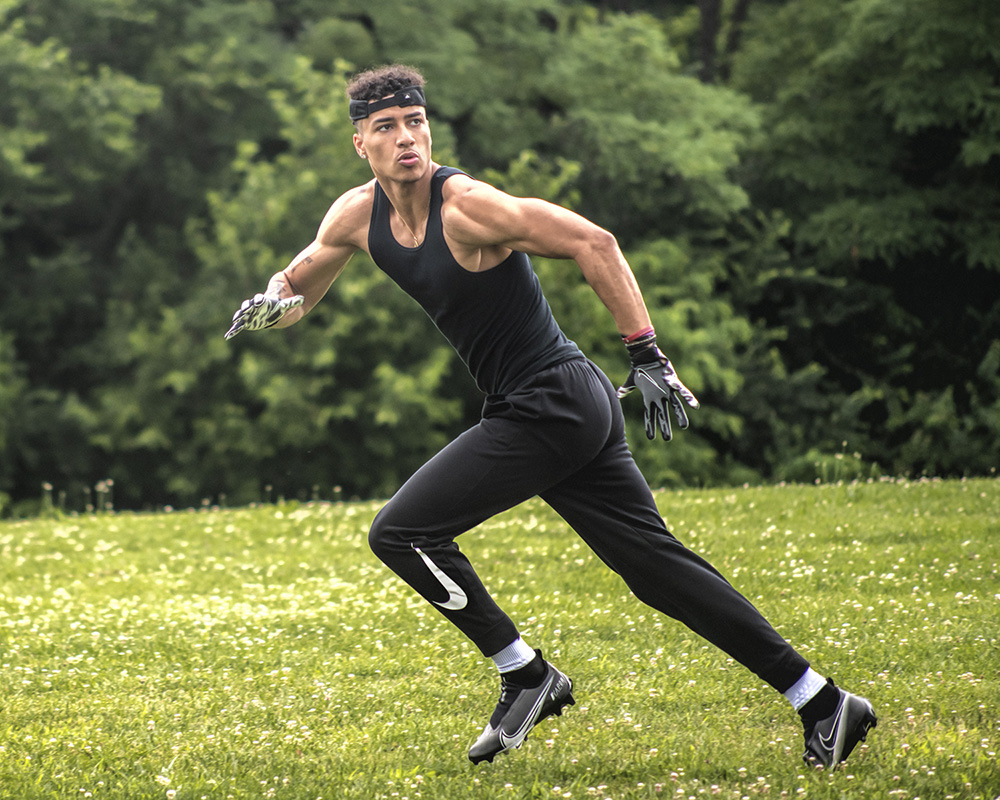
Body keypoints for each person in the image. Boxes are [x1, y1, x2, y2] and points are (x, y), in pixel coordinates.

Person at [225, 64, 876, 768]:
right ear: (361, 144)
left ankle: (526, 675)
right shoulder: (356, 216)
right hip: (554, 407)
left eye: (416, 121)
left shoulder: (467, 207)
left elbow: (594, 242)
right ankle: (823, 701)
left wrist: (647, 355)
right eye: (386, 127)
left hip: (553, 402)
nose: (406, 137)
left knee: (402, 533)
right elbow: (303, 281)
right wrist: (273, 301)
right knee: (657, 572)